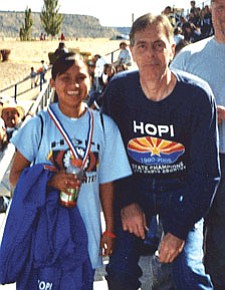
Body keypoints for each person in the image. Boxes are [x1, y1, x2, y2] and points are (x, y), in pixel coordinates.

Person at [101, 13, 220, 290]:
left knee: (188, 272)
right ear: (131, 52)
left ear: (172, 49)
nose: (150, 54)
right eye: (142, 46)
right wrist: (127, 201)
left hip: (180, 190)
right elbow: (110, 155)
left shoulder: (198, 96)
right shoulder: (119, 92)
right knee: (119, 271)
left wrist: (177, 230)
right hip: (136, 188)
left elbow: (207, 174)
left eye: (158, 45)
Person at [8, 52, 132, 288]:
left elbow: (106, 182)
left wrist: (110, 230)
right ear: (52, 82)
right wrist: (50, 181)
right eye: (65, 78)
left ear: (90, 78)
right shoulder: (39, 125)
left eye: (80, 77)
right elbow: (14, 177)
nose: (74, 85)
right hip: (45, 234)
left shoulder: (104, 126)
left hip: (86, 235)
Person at [170, 0, 225, 288]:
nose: (224, 14)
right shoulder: (188, 57)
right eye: (220, 6)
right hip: (189, 163)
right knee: (182, 237)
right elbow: (164, 106)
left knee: (220, 246)